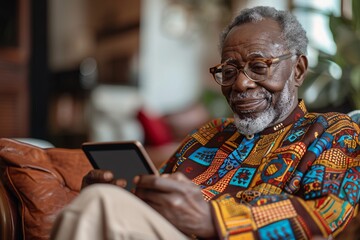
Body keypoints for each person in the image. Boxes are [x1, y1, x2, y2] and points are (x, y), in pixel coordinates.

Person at [51, 6, 360, 240]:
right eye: (228, 71)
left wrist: (215, 219)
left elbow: (328, 214)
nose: (240, 84)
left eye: (258, 66)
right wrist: (121, 191)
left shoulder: (335, 133)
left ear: (298, 70)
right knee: (103, 199)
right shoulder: (209, 134)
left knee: (102, 205)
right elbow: (157, 197)